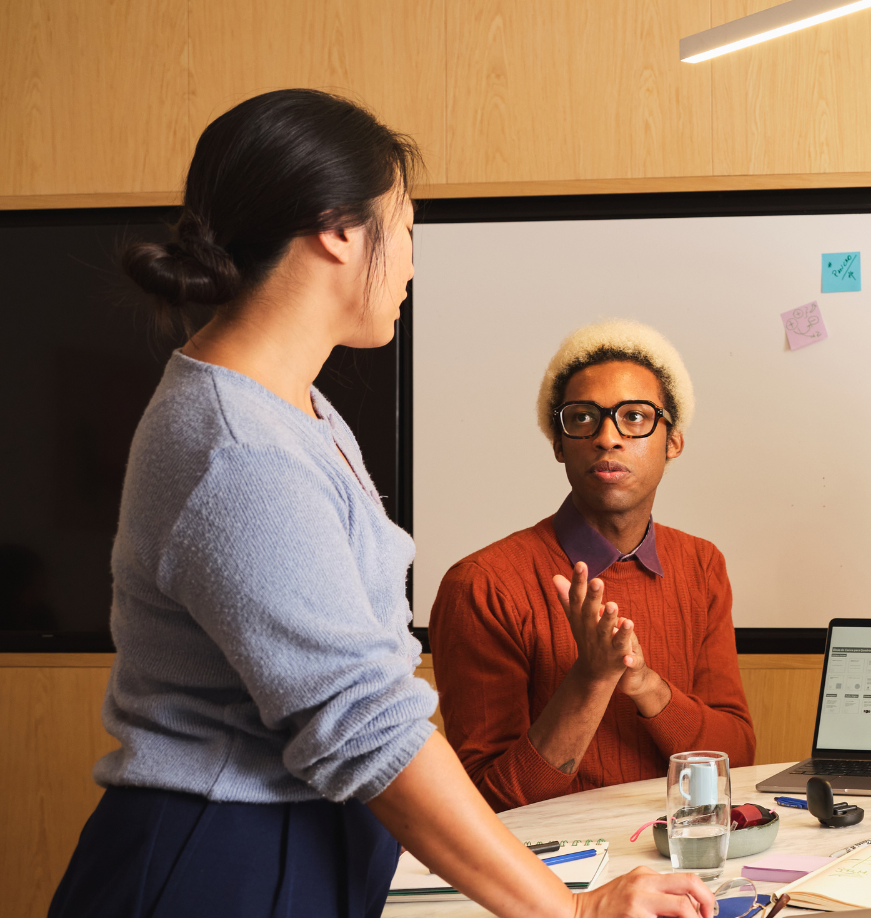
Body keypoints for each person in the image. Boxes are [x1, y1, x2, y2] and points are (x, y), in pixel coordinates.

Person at [50, 89, 713, 918]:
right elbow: (370, 728)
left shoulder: (299, 412)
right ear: (337, 228)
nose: (409, 258)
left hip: (295, 853)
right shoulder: (240, 447)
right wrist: (572, 910)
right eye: (405, 225)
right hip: (220, 864)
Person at [431, 320, 755, 811]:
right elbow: (486, 803)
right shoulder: (482, 585)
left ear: (673, 441)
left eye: (635, 417)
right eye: (583, 418)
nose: (608, 438)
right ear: (559, 443)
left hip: (683, 854)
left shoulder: (700, 564)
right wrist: (593, 677)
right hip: (557, 875)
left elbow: (738, 756)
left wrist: (645, 684)